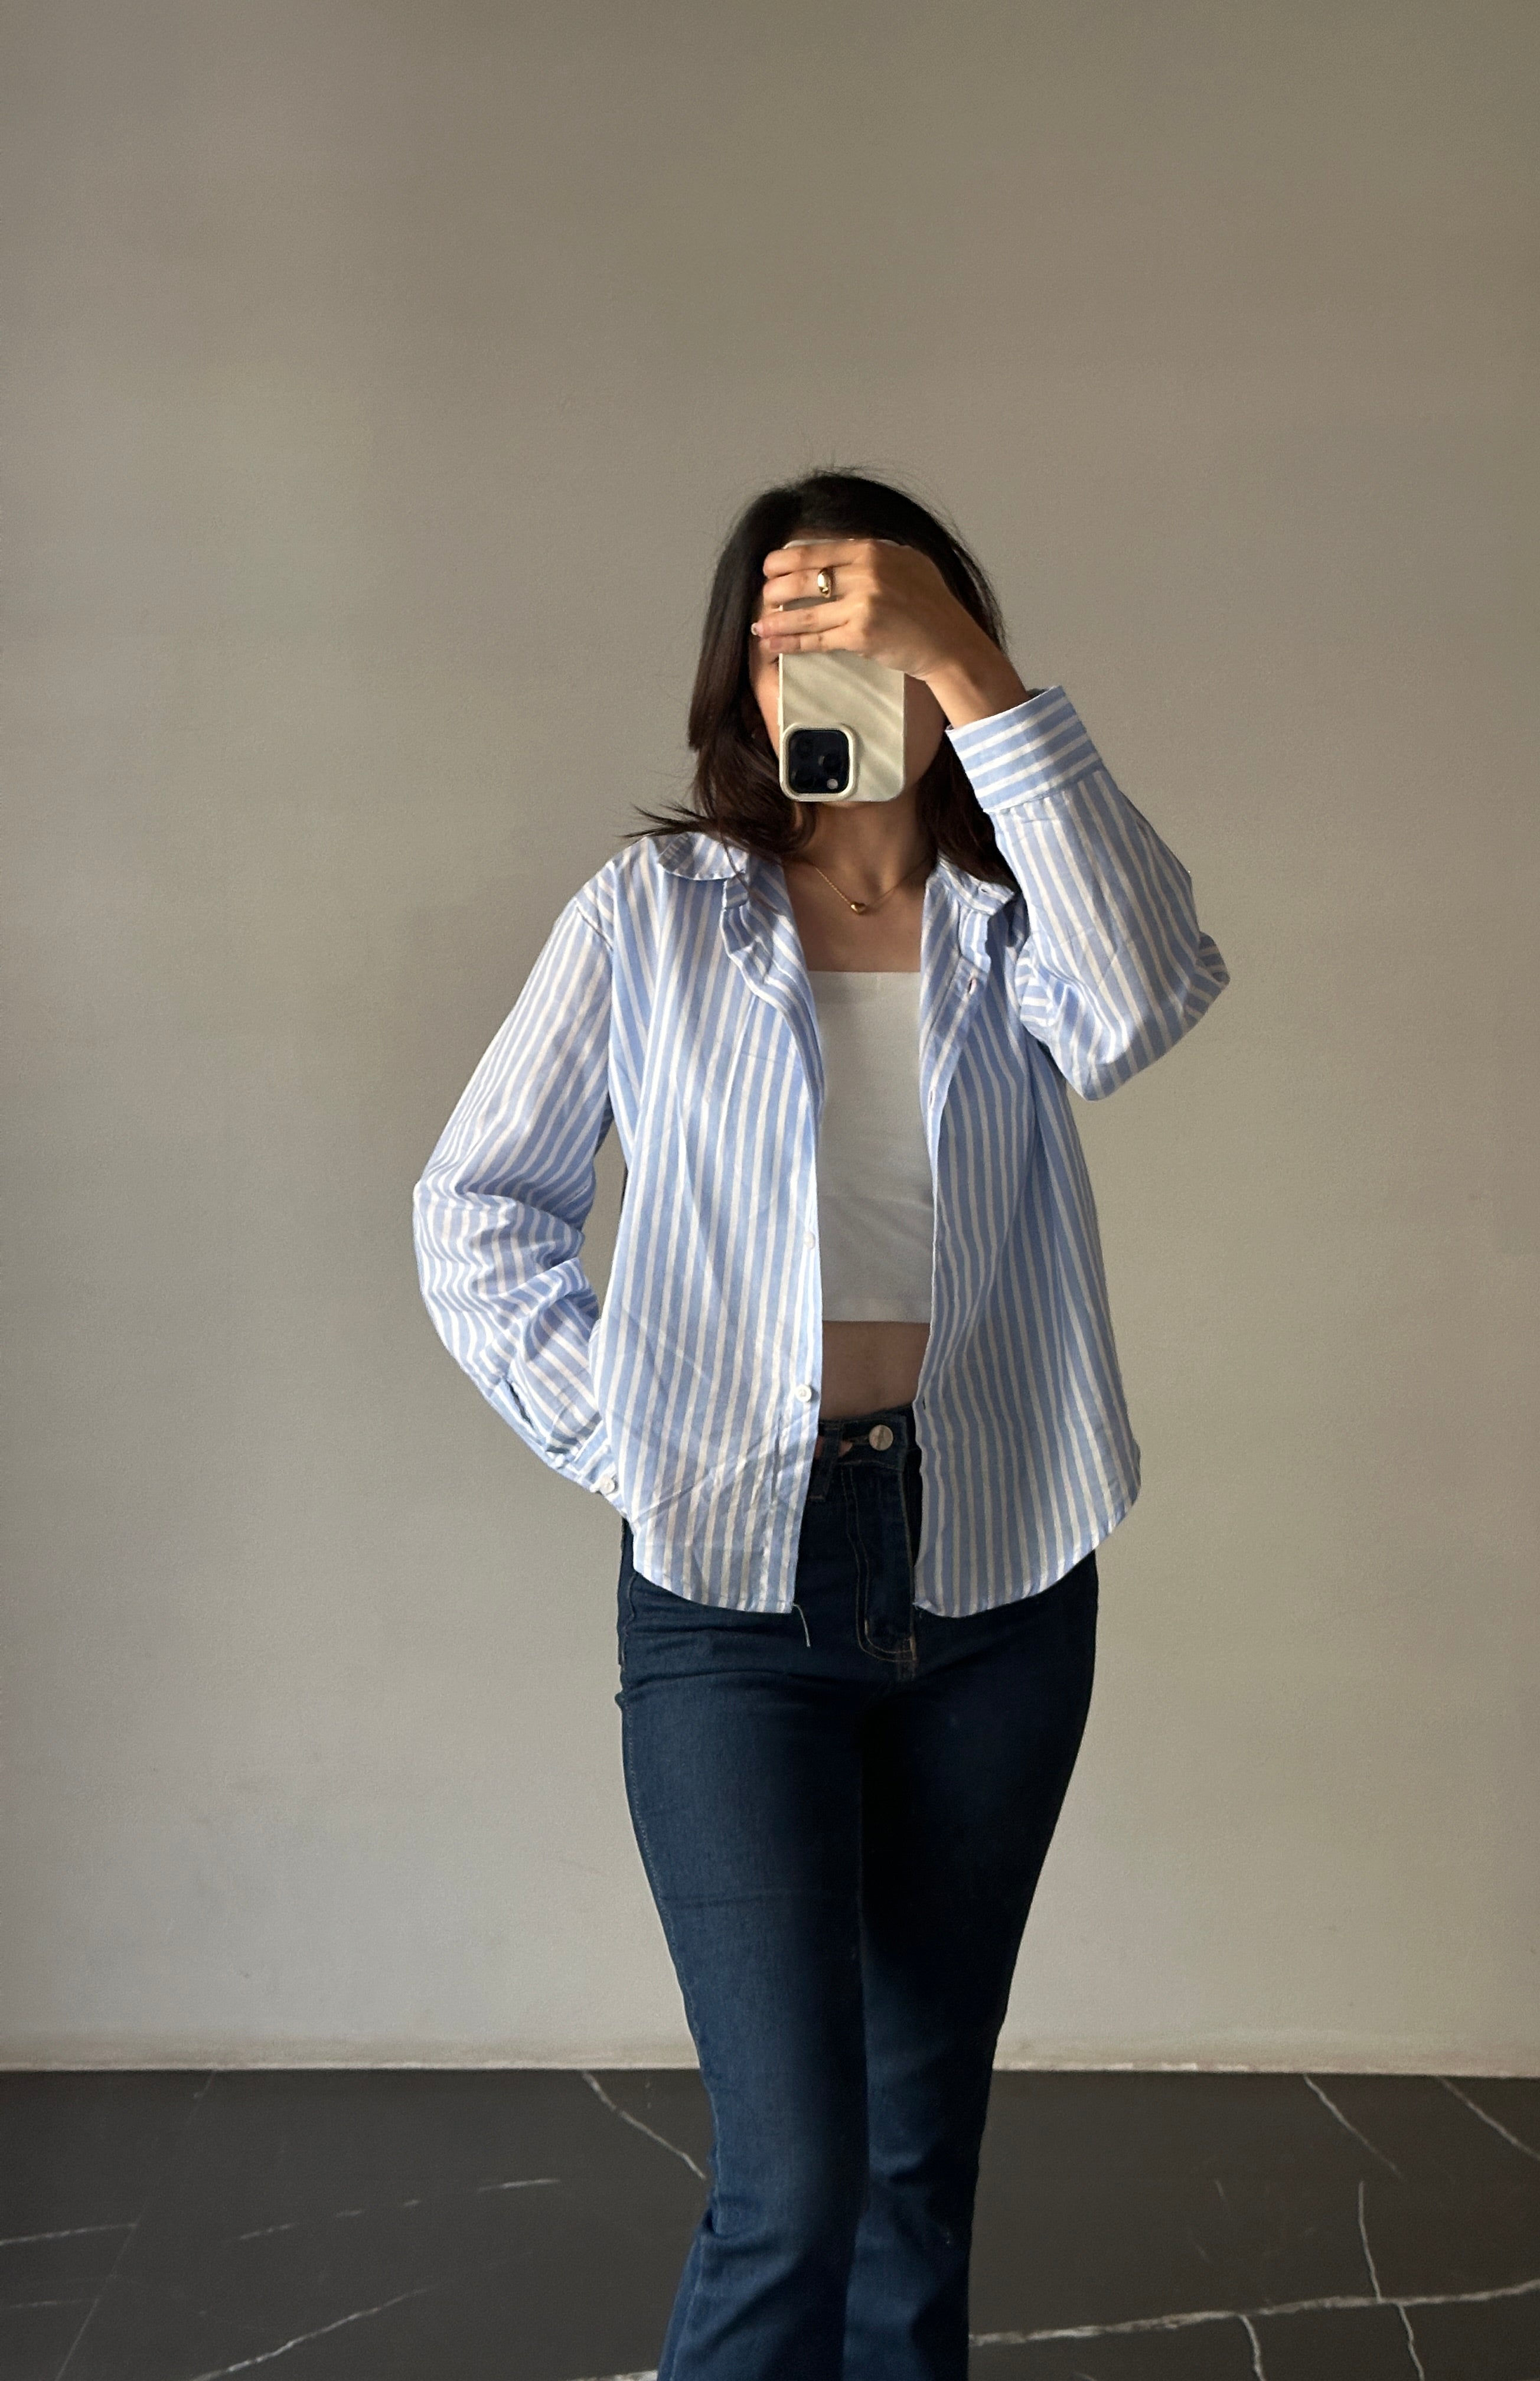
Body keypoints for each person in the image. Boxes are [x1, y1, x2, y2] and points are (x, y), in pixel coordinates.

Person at [412, 468, 1229, 2380]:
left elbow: (1142, 1005)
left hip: (996, 1579)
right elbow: (475, 1209)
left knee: (919, 2168)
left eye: (884, 638)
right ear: (741, 674)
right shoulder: (654, 917)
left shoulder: (1017, 921)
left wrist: (970, 668)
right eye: (804, 641)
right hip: (733, 1603)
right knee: (797, 2179)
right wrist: (631, 1434)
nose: (842, 678)